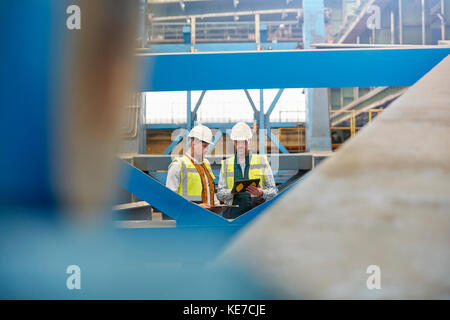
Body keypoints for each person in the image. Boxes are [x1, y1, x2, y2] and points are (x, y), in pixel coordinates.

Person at [218, 122, 278, 219]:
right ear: (234, 141)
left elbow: (274, 191)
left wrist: (261, 193)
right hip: (232, 217)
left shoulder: (262, 161)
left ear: (249, 140)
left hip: (256, 217)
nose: (240, 145)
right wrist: (232, 191)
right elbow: (220, 195)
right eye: (238, 142)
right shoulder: (226, 165)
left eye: (244, 141)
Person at [166, 124, 221, 213]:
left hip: (209, 217)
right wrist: (196, 207)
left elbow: (209, 188)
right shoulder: (177, 166)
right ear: (194, 143)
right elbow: (171, 199)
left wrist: (216, 203)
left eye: (208, 146)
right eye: (204, 146)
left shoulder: (206, 164)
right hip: (188, 217)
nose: (207, 150)